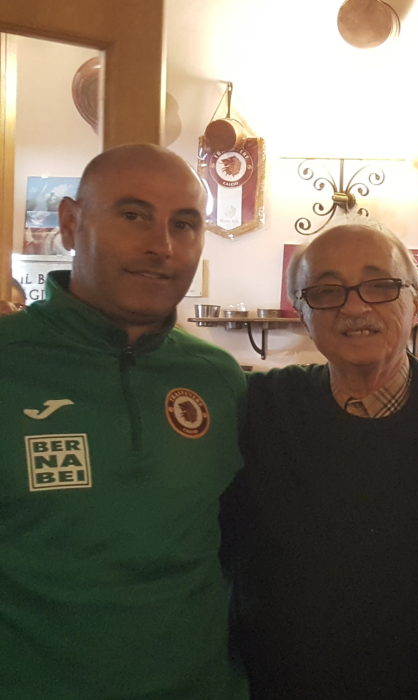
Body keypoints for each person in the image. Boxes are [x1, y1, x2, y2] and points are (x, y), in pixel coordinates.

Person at [0, 144, 247, 697]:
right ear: (70, 222)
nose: (161, 246)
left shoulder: (219, 380)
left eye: (183, 224)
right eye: (133, 215)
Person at [221, 223, 418, 698]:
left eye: (380, 286)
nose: (355, 307)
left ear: (416, 300)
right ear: (302, 312)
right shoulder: (260, 409)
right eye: (326, 291)